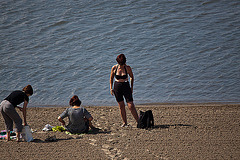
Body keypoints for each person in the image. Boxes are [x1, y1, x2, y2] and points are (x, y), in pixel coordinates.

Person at [110, 54, 138, 127]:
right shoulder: (114, 68)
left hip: (126, 86)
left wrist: (131, 87)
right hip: (117, 87)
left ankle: (138, 121)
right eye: (120, 64)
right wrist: (111, 88)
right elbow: (111, 78)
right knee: (121, 105)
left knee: (131, 105)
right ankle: (124, 123)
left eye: (122, 64)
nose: (122, 65)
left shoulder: (128, 68)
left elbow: (132, 77)